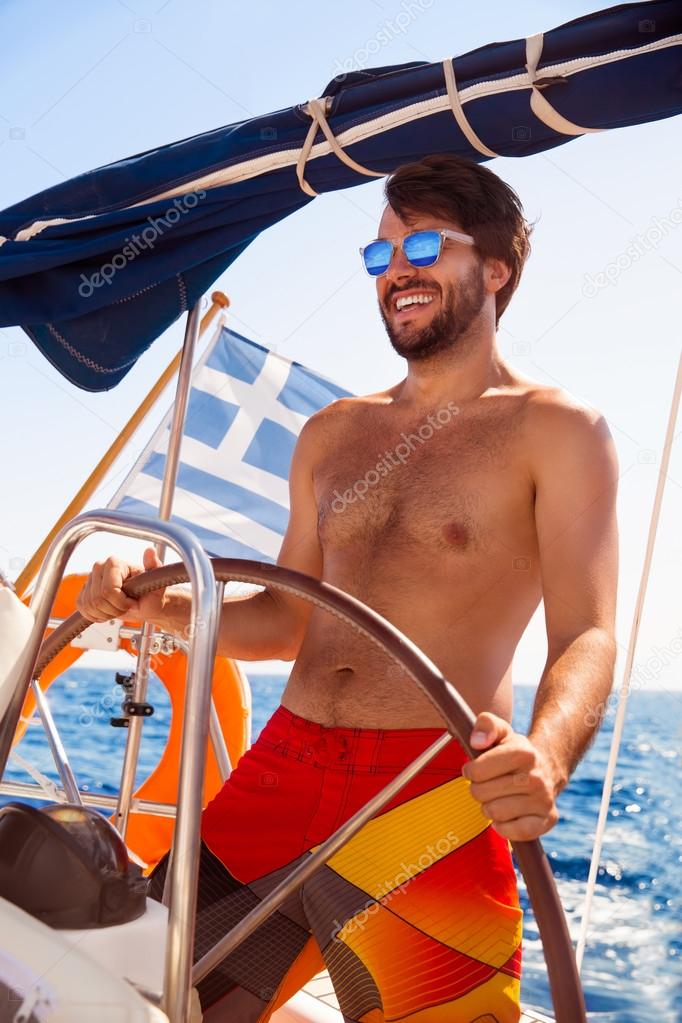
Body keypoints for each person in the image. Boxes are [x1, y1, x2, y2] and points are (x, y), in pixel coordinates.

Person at [77, 154, 619, 1023]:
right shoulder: (330, 436)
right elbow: (289, 614)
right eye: (379, 255)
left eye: (424, 244)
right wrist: (157, 601)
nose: (395, 270)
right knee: (142, 1000)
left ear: (495, 268)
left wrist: (548, 755)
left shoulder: (555, 429)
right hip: (281, 772)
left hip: (427, 794)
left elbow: (587, 632)